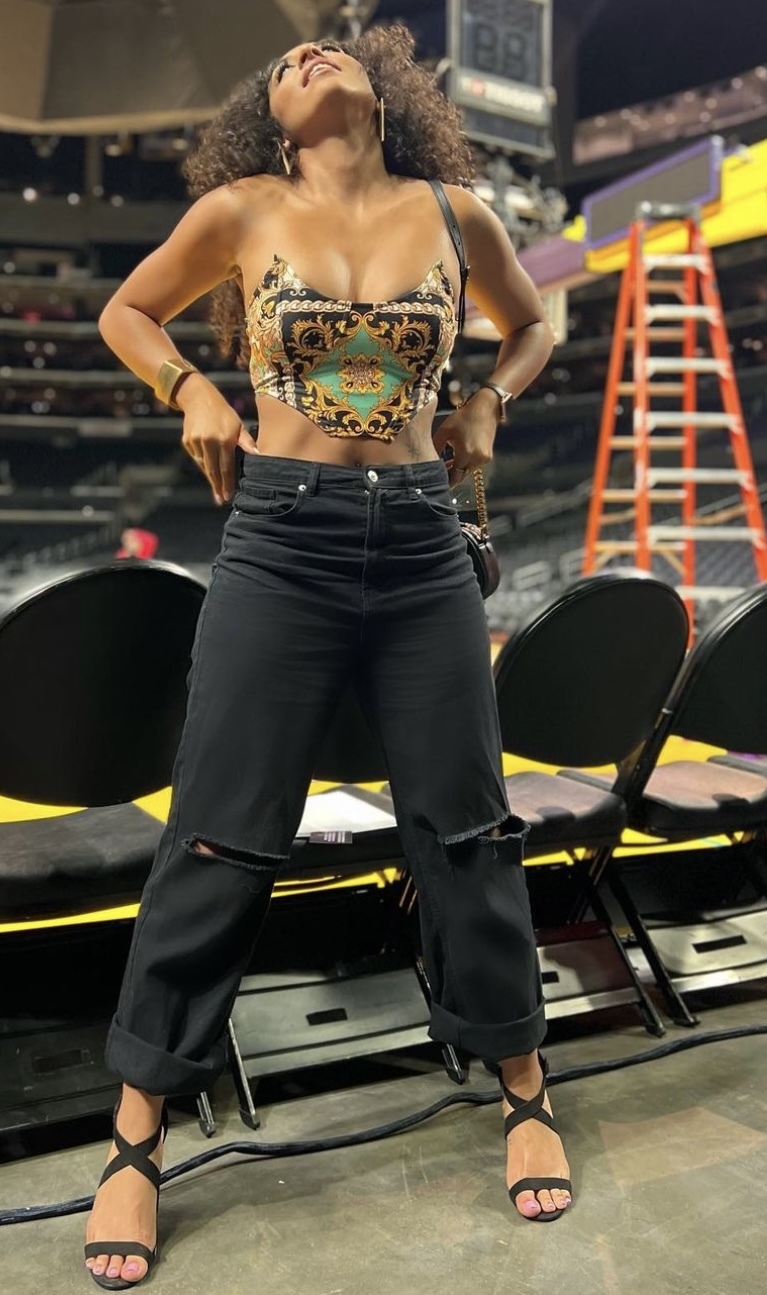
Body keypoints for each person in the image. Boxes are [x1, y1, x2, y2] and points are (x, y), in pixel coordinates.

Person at [84, 23, 571, 1290]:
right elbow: (126, 309)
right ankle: (136, 1133)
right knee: (216, 829)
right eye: (287, 60)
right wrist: (189, 387)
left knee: (467, 824)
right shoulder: (239, 210)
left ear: (385, 94)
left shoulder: (457, 214)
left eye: (333, 48)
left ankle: (522, 1083)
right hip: (279, 539)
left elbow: (533, 327)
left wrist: (486, 397)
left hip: (420, 541)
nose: (308, 48)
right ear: (270, 117)